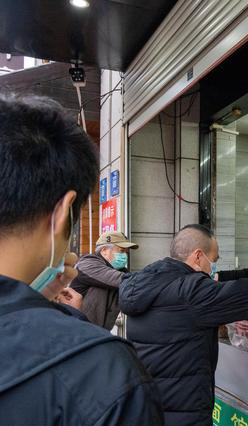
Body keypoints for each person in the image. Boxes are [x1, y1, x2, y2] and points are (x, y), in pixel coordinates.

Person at [0, 94, 163, 425]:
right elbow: (123, 282)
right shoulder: (101, 370)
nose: (123, 257)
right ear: (63, 211)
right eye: (120, 250)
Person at [119, 224, 248, 426]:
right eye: (214, 260)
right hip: (184, 409)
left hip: (148, 404)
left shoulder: (143, 283)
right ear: (198, 256)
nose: (213, 267)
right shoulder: (192, 290)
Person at [70, 231, 138, 329]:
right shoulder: (87, 264)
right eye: (121, 251)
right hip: (77, 329)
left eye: (126, 252)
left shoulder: (120, 271)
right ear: (104, 250)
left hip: (97, 332)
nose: (125, 256)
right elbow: (119, 279)